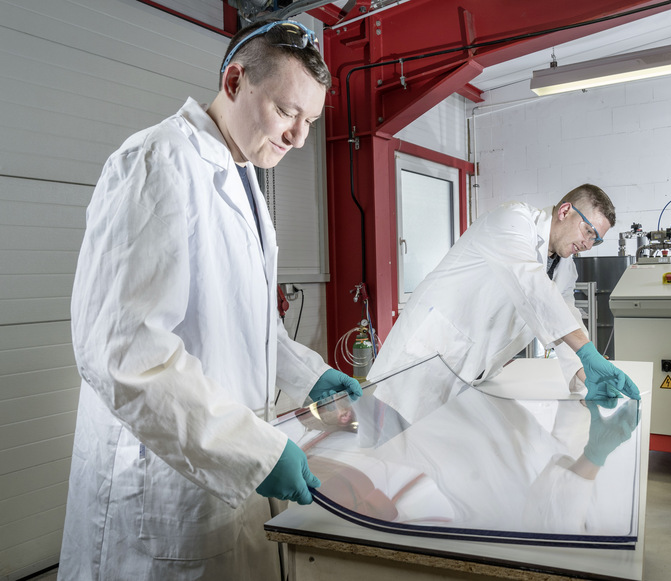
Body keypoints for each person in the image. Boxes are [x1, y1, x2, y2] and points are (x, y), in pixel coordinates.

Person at [58, 19, 360, 581]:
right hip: (159, 486)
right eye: (287, 112)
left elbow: (241, 321)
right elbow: (122, 352)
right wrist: (248, 450)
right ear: (235, 81)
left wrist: (307, 373)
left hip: (216, 474)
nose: (298, 138)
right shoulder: (158, 160)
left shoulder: (241, 173)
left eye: (311, 123)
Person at [369, 184, 639, 424]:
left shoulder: (565, 267)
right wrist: (588, 352)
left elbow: (566, 314)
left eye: (596, 239)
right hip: (422, 359)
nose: (588, 244)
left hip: (468, 371)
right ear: (565, 211)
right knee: (385, 450)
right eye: (588, 231)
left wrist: (585, 372)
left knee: (425, 453)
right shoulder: (512, 220)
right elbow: (531, 285)